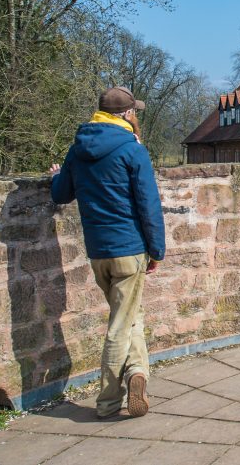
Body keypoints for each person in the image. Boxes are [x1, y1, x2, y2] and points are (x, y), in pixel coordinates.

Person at [50, 86, 165, 419]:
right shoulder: (132, 150)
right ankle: (109, 401)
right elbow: (148, 204)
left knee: (128, 316)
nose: (136, 116)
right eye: (135, 111)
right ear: (127, 114)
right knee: (120, 325)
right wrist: (156, 250)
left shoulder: (77, 149)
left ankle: (137, 373)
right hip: (129, 248)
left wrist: (56, 177)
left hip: (98, 251)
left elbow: (61, 194)